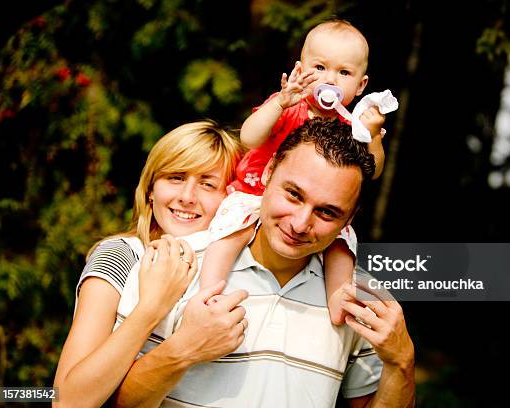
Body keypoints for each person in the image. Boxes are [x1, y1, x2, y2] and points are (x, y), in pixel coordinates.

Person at [113, 117, 415, 408]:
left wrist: (402, 361)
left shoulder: (361, 301)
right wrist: (182, 351)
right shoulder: (171, 265)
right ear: (268, 172)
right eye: (294, 195)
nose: (299, 224)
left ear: (349, 218)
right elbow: (113, 402)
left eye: (326, 212)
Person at [199, 19, 388, 325]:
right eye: (320, 67)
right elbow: (248, 138)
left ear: (361, 85)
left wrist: (373, 136)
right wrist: (279, 104)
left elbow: (373, 171)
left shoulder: (356, 126)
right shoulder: (288, 104)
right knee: (232, 232)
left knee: (341, 248)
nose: (331, 80)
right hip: (256, 193)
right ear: (300, 70)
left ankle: (340, 306)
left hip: (319, 212)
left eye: (344, 72)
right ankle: (209, 294)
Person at [53, 121, 249, 407]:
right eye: (176, 178)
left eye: (208, 184)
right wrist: (152, 307)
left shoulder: (239, 266)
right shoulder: (121, 255)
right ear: (150, 190)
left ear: (230, 198)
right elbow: (66, 401)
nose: (187, 197)